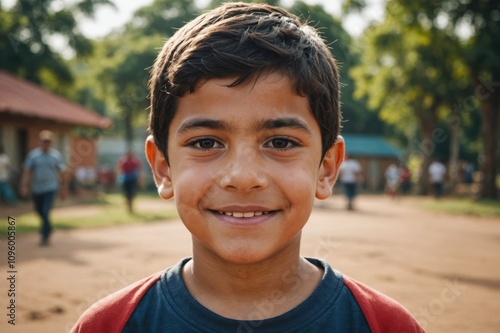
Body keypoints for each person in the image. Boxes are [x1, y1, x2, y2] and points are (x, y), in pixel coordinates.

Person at [71, 3, 423, 332]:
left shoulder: (385, 325)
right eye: (206, 143)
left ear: (327, 168)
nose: (242, 177)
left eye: (281, 143)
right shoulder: (109, 325)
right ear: (162, 168)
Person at [20, 130, 67, 246]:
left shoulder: (56, 155)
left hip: (51, 187)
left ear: (51, 143)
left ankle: (44, 235)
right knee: (39, 211)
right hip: (37, 188)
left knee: (46, 211)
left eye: (48, 142)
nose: (46, 144)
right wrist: (24, 185)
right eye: (44, 141)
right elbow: (27, 171)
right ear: (40, 142)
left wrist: (63, 188)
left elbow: (61, 173)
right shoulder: (33, 155)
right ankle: (48, 227)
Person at [116, 148, 142, 213]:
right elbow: (119, 168)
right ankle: (128, 204)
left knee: (132, 193)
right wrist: (118, 176)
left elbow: (139, 168)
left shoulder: (135, 160)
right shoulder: (123, 160)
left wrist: (140, 178)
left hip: (133, 179)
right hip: (125, 179)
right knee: (126, 193)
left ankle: (131, 205)